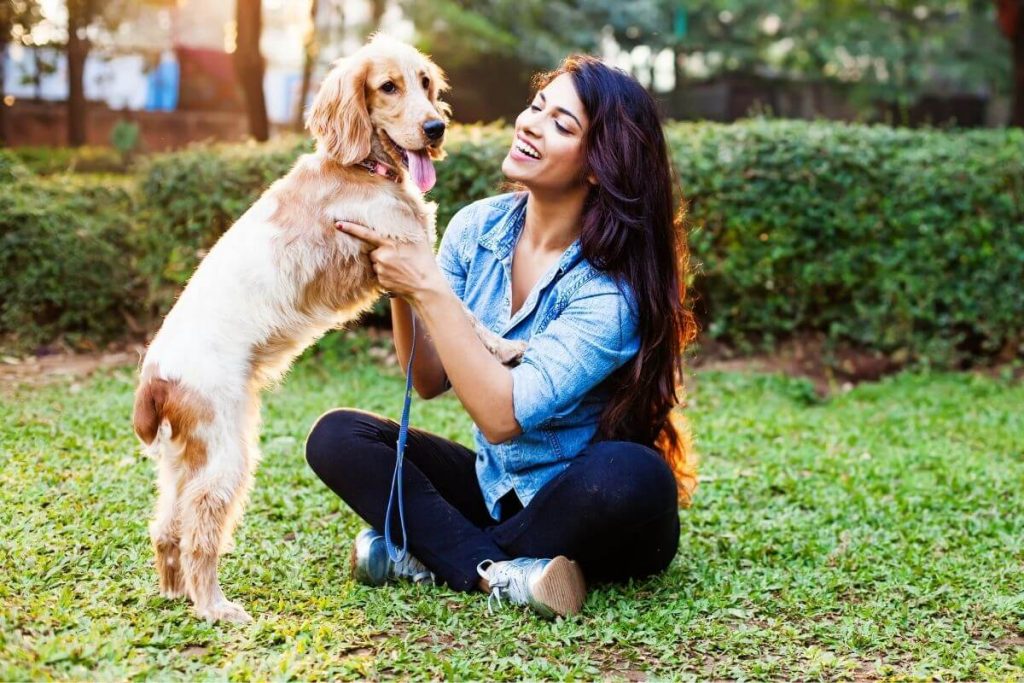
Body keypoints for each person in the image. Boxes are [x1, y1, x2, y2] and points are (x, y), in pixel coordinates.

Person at [304, 54, 698, 618]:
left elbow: (502, 417)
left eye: (562, 125)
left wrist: (428, 285)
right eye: (537, 107)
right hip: (496, 491)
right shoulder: (476, 227)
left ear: (598, 166)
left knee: (633, 474)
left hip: (586, 502)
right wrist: (399, 275)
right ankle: (504, 572)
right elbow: (428, 377)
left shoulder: (611, 291)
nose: (532, 124)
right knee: (338, 436)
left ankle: (438, 557)